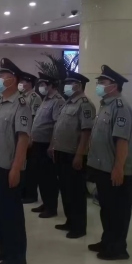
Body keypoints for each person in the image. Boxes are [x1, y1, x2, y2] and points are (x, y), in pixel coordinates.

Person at [0, 58, 31, 264]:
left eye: (3, 76)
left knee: (11, 213)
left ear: (13, 79)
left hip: (8, 166)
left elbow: (23, 138)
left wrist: (16, 168)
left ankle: (17, 255)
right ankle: (4, 248)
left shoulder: (21, 105)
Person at [87, 65, 132, 261]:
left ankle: (118, 248)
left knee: (117, 211)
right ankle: (107, 241)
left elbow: (122, 141)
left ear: (114, 85)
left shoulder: (120, 107)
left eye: (102, 82)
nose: (99, 85)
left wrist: (118, 168)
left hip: (115, 169)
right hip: (103, 168)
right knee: (106, 209)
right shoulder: (105, 105)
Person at [49, 71, 96, 238]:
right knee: (66, 190)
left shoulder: (85, 104)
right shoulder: (68, 103)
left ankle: (79, 227)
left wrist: (79, 154)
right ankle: (70, 221)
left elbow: (86, 131)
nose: (66, 86)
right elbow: (59, 126)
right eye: (66, 82)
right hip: (61, 152)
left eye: (70, 83)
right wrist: (53, 145)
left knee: (76, 192)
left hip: (73, 153)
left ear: (79, 86)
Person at [30, 72, 65, 218]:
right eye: (40, 84)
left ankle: (51, 207)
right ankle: (45, 203)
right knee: (41, 176)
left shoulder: (58, 101)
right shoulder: (45, 99)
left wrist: (52, 144)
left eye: (43, 84)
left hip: (47, 145)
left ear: (51, 86)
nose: (41, 87)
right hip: (38, 143)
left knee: (49, 177)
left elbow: (57, 124)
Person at [18, 71, 42, 204]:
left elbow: (34, 118)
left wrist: (30, 136)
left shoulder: (34, 97)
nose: (21, 84)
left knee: (30, 168)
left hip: (29, 136)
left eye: (23, 82)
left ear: (30, 84)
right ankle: (22, 191)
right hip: (22, 134)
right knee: (22, 165)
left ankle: (31, 194)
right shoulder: (21, 96)